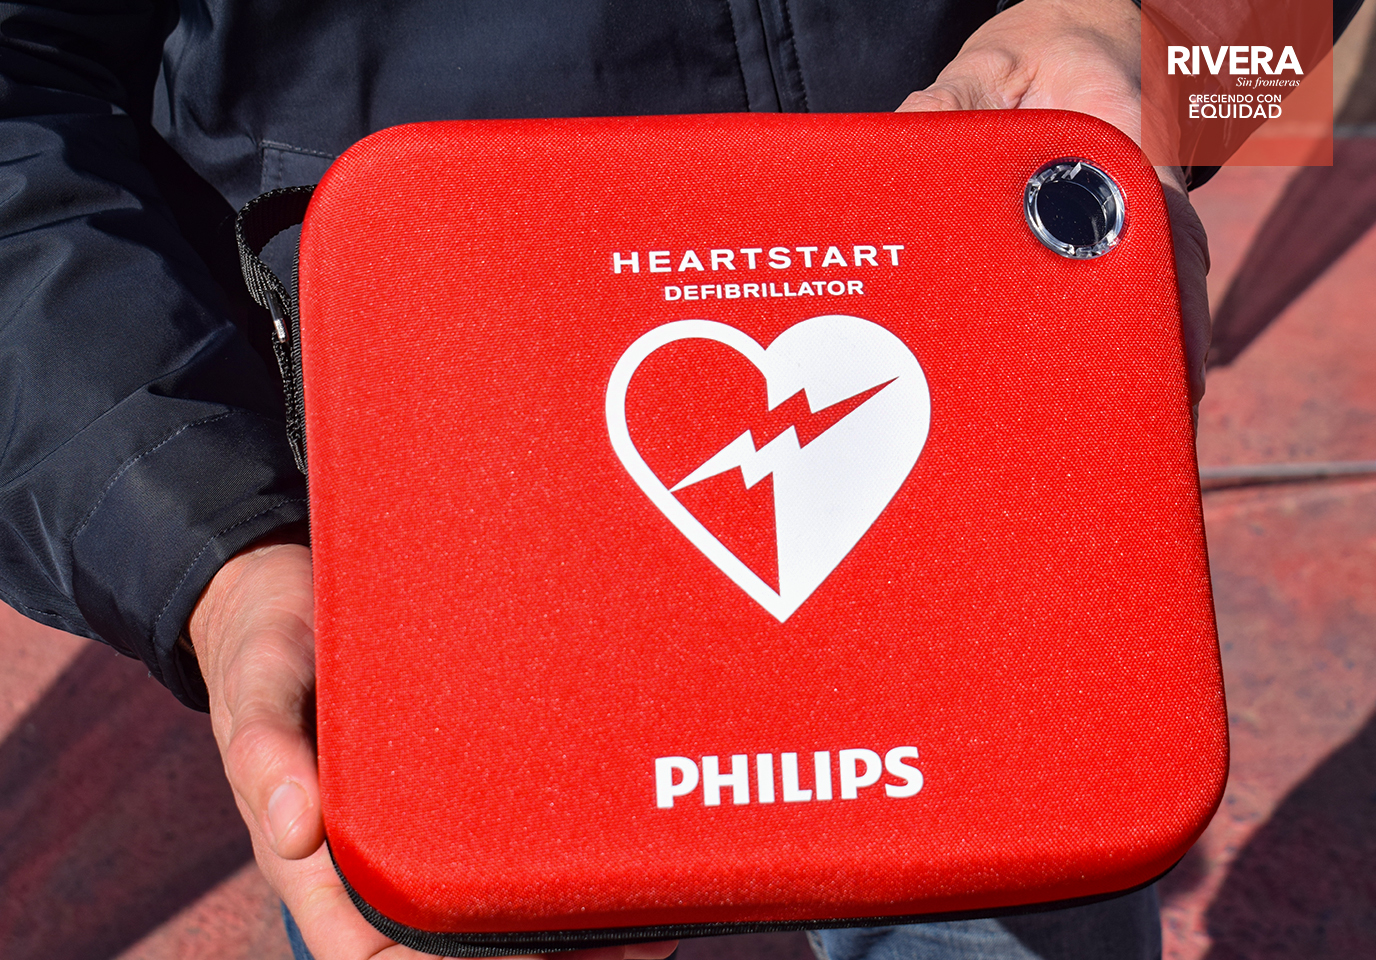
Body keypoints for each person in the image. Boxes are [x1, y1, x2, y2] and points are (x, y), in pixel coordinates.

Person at [1, 0, 1219, 958]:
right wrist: (207, 541)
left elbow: (1270, 32)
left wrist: (1160, 48)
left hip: (998, 495)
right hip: (467, 564)